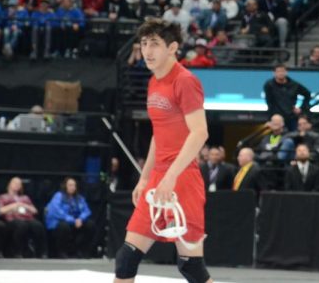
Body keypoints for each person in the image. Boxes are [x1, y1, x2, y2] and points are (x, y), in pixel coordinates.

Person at [113, 18, 213, 283]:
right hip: (159, 178)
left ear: (173, 48)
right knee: (126, 259)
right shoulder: (153, 81)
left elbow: (200, 132)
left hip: (183, 179)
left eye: (155, 44)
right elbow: (160, 134)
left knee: (191, 268)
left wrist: (171, 177)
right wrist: (145, 178)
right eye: (144, 43)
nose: (147, 50)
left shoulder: (185, 81)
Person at [45, 177, 95, 259]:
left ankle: (82, 251)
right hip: (60, 222)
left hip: (76, 221)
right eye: (70, 185)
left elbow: (87, 211)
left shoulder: (79, 198)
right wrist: (72, 220)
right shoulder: (58, 196)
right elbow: (56, 211)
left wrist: (80, 219)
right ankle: (62, 252)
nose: (72, 187)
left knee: (90, 225)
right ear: (65, 186)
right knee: (64, 226)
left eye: (74, 185)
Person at [0, 176, 47, 258]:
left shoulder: (25, 198)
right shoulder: (3, 197)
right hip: (12, 220)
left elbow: (35, 211)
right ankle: (18, 252)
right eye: (15, 183)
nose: (17, 185)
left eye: (19, 184)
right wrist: (14, 205)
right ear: (9, 184)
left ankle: (41, 252)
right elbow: (1, 210)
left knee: (38, 225)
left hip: (27, 218)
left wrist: (24, 205)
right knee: (21, 225)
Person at [263, 64, 311, 130]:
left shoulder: (294, 84)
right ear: (274, 73)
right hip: (276, 117)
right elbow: (269, 102)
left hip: (291, 116)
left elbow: (307, 94)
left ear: (286, 72)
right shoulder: (269, 85)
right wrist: (269, 119)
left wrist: (301, 108)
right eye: (278, 71)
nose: (281, 73)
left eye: (282, 71)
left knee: (294, 135)